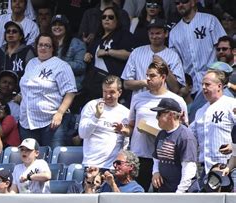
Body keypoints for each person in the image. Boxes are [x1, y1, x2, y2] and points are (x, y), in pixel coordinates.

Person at [116, 60, 188, 191]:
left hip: (164, 158)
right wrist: (124, 130)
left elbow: (183, 129)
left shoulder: (177, 101)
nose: (148, 79)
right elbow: (131, 127)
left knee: (160, 198)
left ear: (163, 77)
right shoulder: (138, 98)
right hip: (140, 156)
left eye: (152, 75)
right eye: (147, 75)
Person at [19, 33, 77, 148]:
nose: (43, 48)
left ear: (53, 48)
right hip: (27, 122)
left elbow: (71, 91)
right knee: (30, 161)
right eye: (40, 45)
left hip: (50, 123)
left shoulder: (61, 66)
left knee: (52, 160)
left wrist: (60, 113)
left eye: (47, 45)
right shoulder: (31, 63)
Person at [169, 0, 226, 95]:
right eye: (177, 3)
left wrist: (222, 75)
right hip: (192, 87)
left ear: (192, 2)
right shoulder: (174, 32)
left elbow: (223, 48)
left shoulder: (209, 20)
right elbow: (175, 63)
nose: (180, 5)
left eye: (184, 2)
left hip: (215, 80)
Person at [122, 18, 185, 98]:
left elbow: (176, 89)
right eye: (152, 33)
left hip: (164, 103)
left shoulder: (173, 56)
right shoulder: (136, 52)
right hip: (141, 104)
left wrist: (165, 67)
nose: (154, 36)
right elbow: (126, 84)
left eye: (158, 33)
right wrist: (145, 83)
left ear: (166, 34)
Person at [82, 5, 133, 103]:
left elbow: (129, 55)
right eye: (104, 17)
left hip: (111, 81)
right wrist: (87, 56)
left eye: (111, 17)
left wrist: (107, 52)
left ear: (117, 20)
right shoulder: (97, 38)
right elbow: (90, 54)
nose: (107, 19)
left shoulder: (123, 35)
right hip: (92, 81)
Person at [79, 75, 129, 170]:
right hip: (92, 165)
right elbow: (82, 134)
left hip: (114, 167)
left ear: (120, 92)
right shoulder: (92, 106)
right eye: (105, 91)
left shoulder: (126, 112)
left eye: (112, 92)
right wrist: (96, 116)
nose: (107, 96)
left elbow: (126, 142)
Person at [190, 70, 236, 174]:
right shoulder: (200, 111)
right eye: (202, 85)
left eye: (207, 84)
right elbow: (190, 136)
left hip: (229, 167)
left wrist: (233, 146)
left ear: (219, 86)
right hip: (206, 170)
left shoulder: (231, 104)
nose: (204, 88)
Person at [150, 98, 197, 192]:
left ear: (171, 115)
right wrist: (156, 172)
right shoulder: (161, 134)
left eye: (159, 114)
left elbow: (189, 168)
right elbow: (156, 158)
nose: (156, 118)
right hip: (165, 190)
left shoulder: (185, 136)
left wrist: (179, 192)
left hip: (182, 192)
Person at [0, 20, 35, 87]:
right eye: (8, 31)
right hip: (0, 94)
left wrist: (20, 95)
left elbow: (32, 76)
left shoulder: (28, 51)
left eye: (14, 31)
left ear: (21, 36)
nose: (11, 33)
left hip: (23, 94)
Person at [51, 14, 87, 95]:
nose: (57, 27)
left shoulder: (77, 43)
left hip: (71, 90)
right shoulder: (49, 43)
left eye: (60, 25)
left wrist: (59, 64)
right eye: (54, 25)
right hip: (53, 88)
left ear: (66, 27)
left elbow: (81, 67)